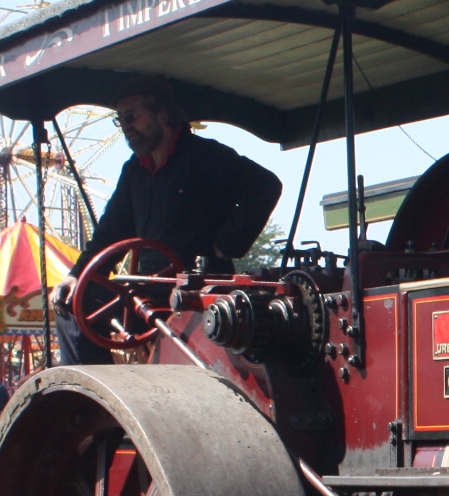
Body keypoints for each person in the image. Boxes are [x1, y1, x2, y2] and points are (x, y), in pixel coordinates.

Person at [57, 75, 283, 366]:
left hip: (198, 290)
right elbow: (110, 233)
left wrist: (226, 245)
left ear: (162, 116)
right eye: (121, 119)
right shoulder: (134, 172)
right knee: (73, 303)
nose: (126, 126)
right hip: (147, 291)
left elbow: (266, 186)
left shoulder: (206, 156)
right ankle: (94, 395)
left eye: (132, 116)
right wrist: (76, 276)